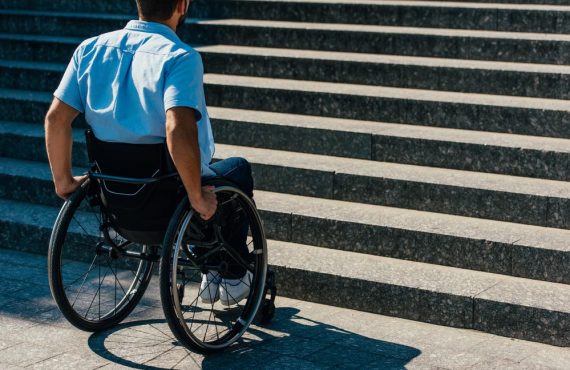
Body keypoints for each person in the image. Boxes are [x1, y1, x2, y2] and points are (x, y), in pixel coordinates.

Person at [44, 0, 253, 306]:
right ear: (182, 5)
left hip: (116, 194)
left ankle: (211, 265)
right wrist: (197, 196)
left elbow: (55, 119)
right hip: (167, 194)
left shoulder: (90, 49)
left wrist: (63, 181)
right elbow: (176, 128)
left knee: (188, 176)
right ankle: (231, 274)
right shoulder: (179, 56)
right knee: (238, 170)